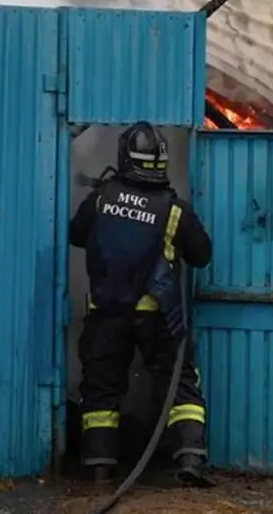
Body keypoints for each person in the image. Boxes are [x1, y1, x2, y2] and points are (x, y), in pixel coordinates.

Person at [69, 121, 216, 487]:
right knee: (179, 384)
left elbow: (76, 235)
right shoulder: (174, 210)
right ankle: (191, 459)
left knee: (101, 387)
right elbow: (202, 255)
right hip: (157, 316)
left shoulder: (101, 198)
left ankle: (100, 465)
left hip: (106, 313)